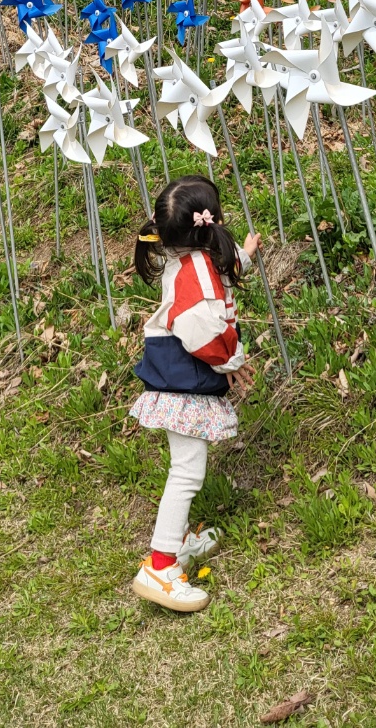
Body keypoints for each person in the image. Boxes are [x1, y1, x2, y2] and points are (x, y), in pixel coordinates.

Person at [129, 175, 259, 613]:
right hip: (181, 380)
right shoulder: (194, 280)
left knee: (187, 467)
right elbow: (201, 329)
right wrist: (232, 360)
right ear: (211, 223)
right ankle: (161, 565)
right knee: (187, 471)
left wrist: (246, 255)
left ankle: (177, 541)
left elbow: (221, 260)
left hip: (179, 381)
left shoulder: (191, 256)